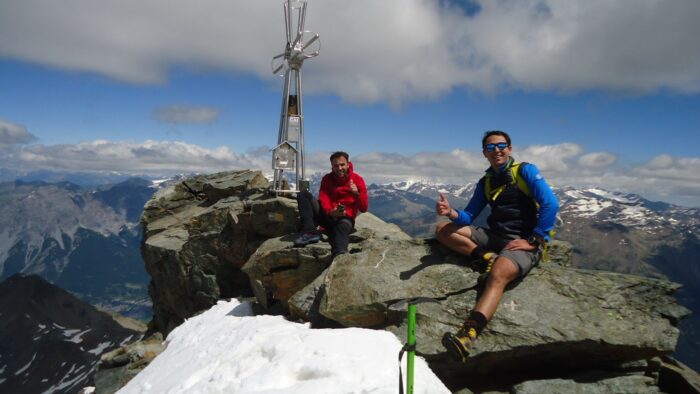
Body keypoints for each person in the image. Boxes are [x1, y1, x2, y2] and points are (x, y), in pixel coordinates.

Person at [435, 130, 559, 363]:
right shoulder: (487, 182)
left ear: (510, 149)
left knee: (498, 274)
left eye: (501, 146)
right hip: (497, 237)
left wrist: (534, 240)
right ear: (484, 153)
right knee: (442, 229)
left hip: (523, 241)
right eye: (491, 148)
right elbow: (470, 214)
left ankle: (468, 335)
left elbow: (551, 204)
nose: (497, 150)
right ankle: (484, 256)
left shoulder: (525, 171)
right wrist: (450, 212)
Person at [294, 151, 369, 257]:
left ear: (348, 164)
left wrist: (356, 193)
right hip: (328, 215)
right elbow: (323, 198)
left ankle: (340, 254)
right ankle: (310, 232)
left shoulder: (357, 180)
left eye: (342, 165)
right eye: (336, 166)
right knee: (303, 194)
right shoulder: (327, 179)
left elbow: (364, 208)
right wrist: (331, 212)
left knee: (342, 228)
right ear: (332, 167)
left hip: (344, 218)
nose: (339, 168)